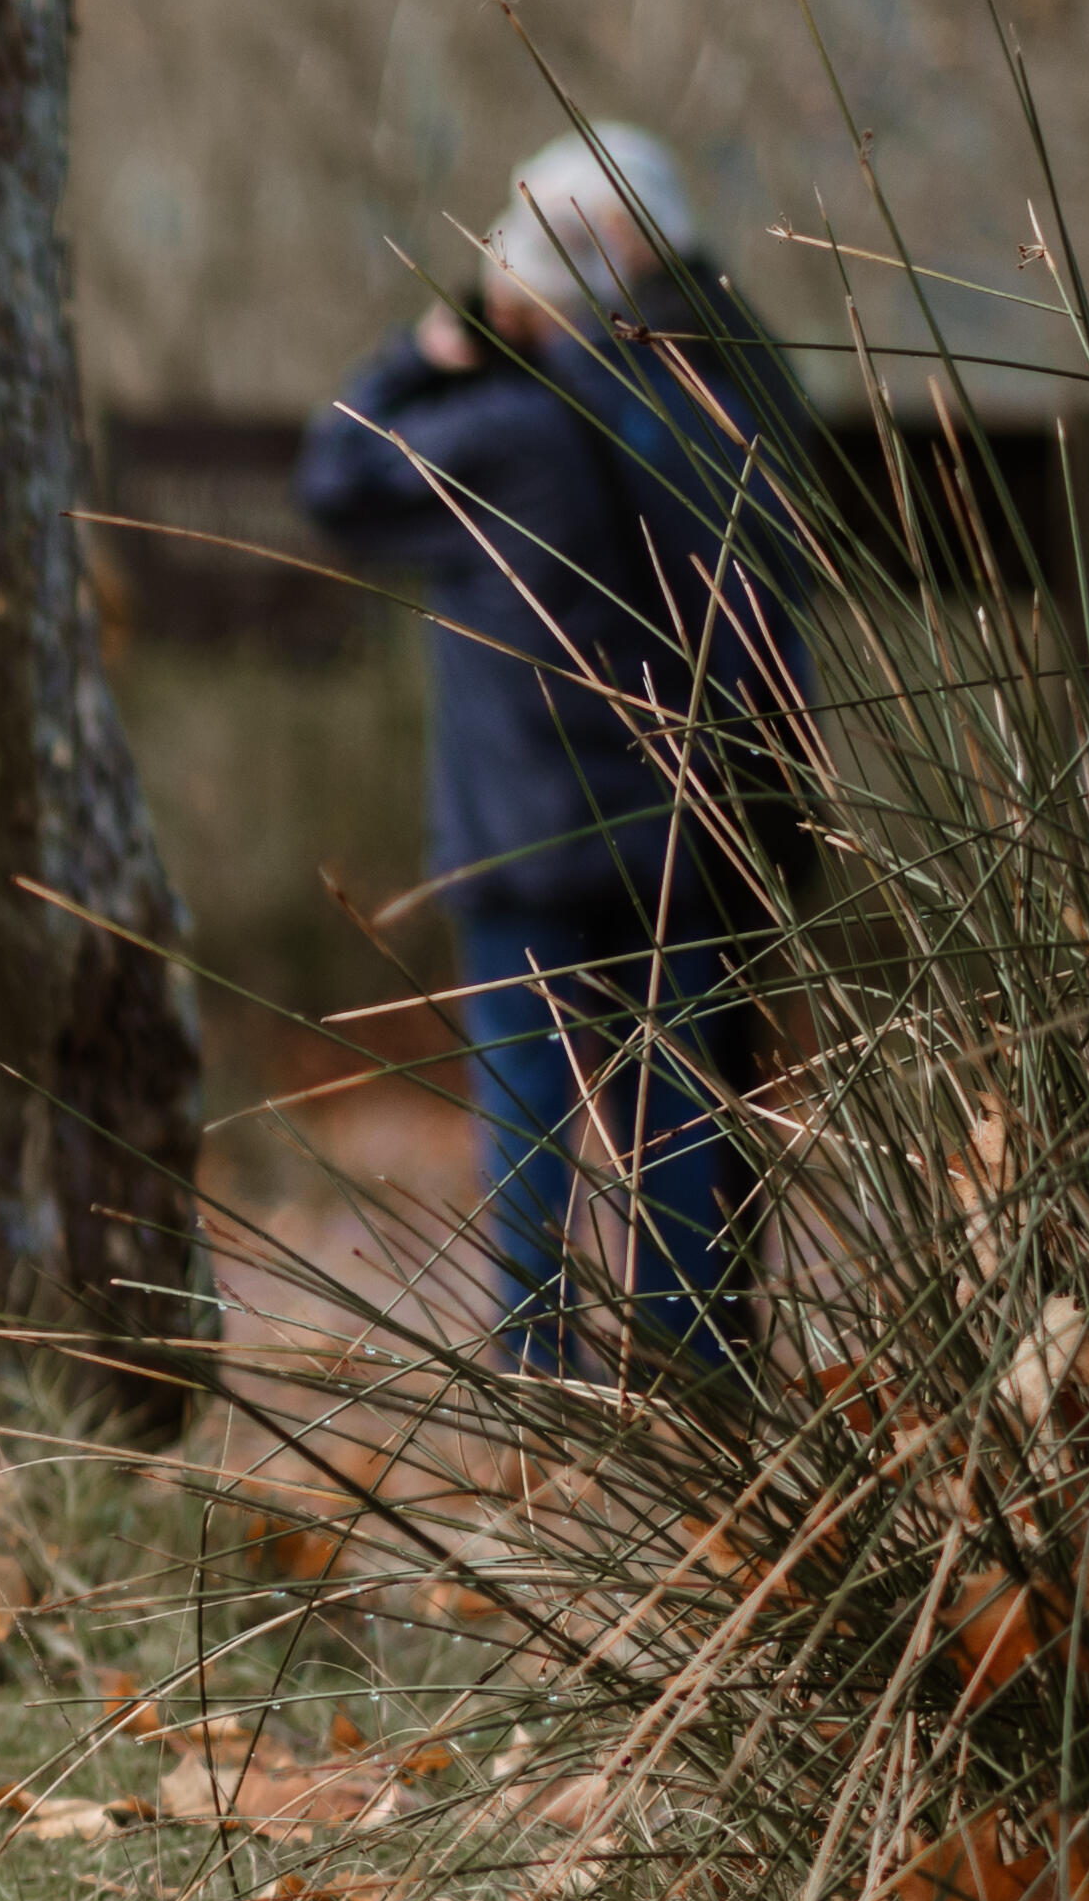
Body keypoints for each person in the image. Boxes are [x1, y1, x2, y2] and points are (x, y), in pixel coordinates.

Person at [295, 125, 818, 1374]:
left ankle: (539, 1366)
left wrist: (433, 344)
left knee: (529, 1110)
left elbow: (331, 474)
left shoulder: (501, 428)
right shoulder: (724, 398)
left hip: (522, 829)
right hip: (686, 824)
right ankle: (690, 1363)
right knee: (676, 1113)